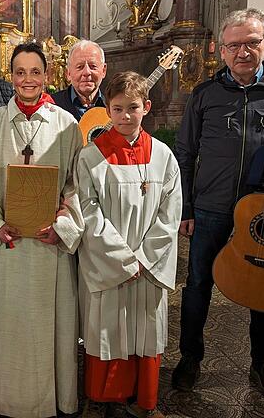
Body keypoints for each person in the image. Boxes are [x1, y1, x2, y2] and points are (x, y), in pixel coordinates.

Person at [172, 8, 264, 401]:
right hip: (211, 207)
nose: (243, 52)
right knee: (198, 284)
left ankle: (262, 361)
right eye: (234, 45)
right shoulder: (205, 94)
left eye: (252, 43)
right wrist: (186, 208)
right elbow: (185, 153)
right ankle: (190, 358)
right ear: (220, 50)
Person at [0, 42, 83, 417]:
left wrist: (64, 226)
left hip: (50, 248)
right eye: (20, 72)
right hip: (8, 247)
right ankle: (6, 402)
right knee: (9, 332)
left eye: (36, 72)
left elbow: (76, 187)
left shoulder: (66, 125)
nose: (28, 79)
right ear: (11, 75)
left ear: (47, 76)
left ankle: (53, 403)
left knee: (51, 331)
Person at [76, 71, 181, 418]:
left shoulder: (164, 156)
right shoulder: (91, 157)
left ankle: (144, 400)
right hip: (110, 264)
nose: (124, 116)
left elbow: (170, 213)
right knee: (107, 329)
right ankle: (103, 398)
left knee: (145, 330)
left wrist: (145, 259)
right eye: (117, 109)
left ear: (146, 107)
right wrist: (124, 259)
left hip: (147, 267)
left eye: (132, 108)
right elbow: (87, 211)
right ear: (107, 110)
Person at [52, 40, 107, 122]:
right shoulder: (52, 106)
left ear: (103, 70)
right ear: (68, 73)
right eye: (80, 67)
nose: (86, 72)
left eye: (93, 66)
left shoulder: (113, 107)